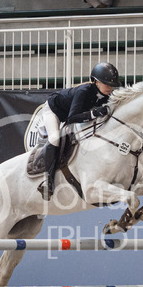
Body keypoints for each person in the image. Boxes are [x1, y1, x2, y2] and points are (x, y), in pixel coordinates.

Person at [37, 62, 122, 200]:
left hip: (72, 115)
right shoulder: (83, 91)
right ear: (96, 82)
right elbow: (71, 118)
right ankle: (47, 180)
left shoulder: (107, 96)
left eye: (112, 85)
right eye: (106, 84)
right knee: (54, 138)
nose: (110, 87)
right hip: (54, 111)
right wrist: (94, 114)